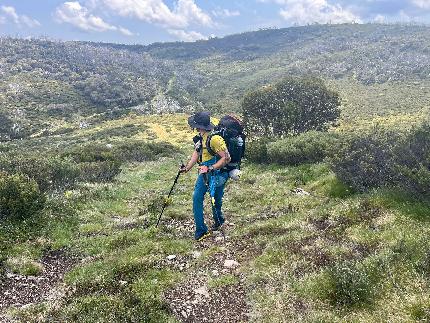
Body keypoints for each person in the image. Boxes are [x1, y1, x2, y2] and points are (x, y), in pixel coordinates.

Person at [180, 111, 231, 241]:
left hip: (216, 172)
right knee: (197, 197)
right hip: (205, 172)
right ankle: (201, 230)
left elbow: (226, 158)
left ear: (200, 126)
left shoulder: (215, 139)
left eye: (196, 125)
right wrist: (186, 168)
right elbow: (196, 154)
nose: (195, 128)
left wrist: (210, 168)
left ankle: (219, 220)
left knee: (216, 199)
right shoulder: (200, 138)